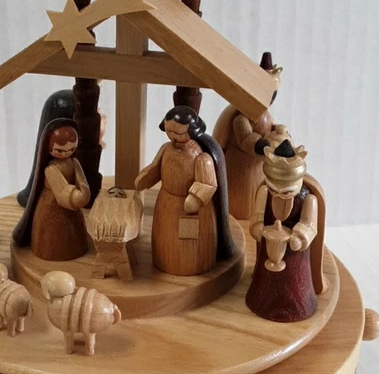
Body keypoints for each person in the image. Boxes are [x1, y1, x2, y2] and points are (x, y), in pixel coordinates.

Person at [135, 106, 234, 276]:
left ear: (192, 130)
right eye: (169, 130)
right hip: (167, 203)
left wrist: (195, 198)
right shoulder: (166, 149)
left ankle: (192, 266)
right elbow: (155, 168)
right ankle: (164, 261)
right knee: (166, 240)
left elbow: (208, 184)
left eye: (177, 132)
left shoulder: (201, 157)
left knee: (188, 245)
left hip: (193, 210)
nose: (172, 135)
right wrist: (144, 178)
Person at [245, 137, 325, 322]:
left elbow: (310, 226)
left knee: (294, 283)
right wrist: (259, 229)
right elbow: (257, 217)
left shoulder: (307, 200)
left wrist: (299, 238)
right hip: (268, 249)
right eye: (274, 189)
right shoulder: (264, 193)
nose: (279, 194)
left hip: (295, 256)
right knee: (265, 282)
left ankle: (295, 305)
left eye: (287, 191)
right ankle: (262, 301)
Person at [212, 52, 283, 219]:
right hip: (240, 167)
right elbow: (245, 138)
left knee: (258, 202)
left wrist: (279, 135)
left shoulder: (265, 115)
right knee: (239, 202)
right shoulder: (240, 118)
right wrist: (260, 145)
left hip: (258, 168)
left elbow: (271, 128)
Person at [12, 118, 90, 261]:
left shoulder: (74, 162)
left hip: (73, 206)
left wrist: (84, 190)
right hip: (53, 205)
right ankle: (53, 252)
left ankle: (74, 249)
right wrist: (75, 196)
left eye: (71, 149)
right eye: (60, 150)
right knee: (54, 234)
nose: (66, 153)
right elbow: (61, 190)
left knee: (72, 233)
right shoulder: (51, 169)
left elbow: (81, 178)